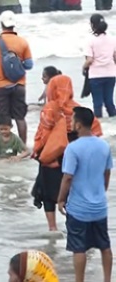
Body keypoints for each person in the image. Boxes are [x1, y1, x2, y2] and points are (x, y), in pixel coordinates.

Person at [33, 73, 102, 232]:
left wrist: (38, 151)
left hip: (52, 157)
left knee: (48, 192)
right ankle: (78, 225)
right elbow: (95, 131)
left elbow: (43, 133)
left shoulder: (50, 108)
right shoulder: (78, 109)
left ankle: (52, 228)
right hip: (75, 156)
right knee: (74, 190)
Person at [58, 106, 113, 282]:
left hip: (79, 209)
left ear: (79, 125)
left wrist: (60, 199)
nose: (71, 122)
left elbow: (67, 178)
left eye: (73, 119)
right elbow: (107, 173)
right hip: (99, 207)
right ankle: (107, 279)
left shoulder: (73, 148)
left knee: (79, 248)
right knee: (105, 246)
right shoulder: (104, 145)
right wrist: (101, 189)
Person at [0, 11, 33, 143]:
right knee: (20, 118)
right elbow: (29, 65)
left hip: (1, 86)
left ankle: (0, 147)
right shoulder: (23, 42)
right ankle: (23, 147)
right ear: (14, 25)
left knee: (2, 118)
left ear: (1, 25)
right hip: (19, 85)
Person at [83, 14, 116, 118]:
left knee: (98, 104)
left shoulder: (90, 40)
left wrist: (83, 67)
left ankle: (99, 127)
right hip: (111, 74)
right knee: (109, 102)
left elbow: (89, 60)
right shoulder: (112, 38)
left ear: (92, 25)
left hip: (96, 75)